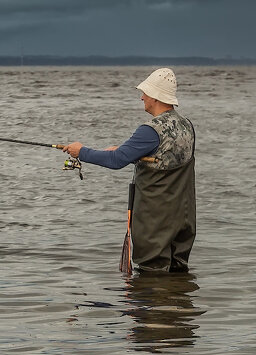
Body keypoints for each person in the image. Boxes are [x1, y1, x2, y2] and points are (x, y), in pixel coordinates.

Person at [60, 67, 196, 273]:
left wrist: (81, 151)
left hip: (155, 224)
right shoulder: (187, 125)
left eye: (145, 93)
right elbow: (165, 160)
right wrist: (134, 155)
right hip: (183, 222)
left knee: (151, 282)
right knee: (177, 278)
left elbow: (116, 160)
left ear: (156, 97)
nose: (142, 97)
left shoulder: (150, 130)